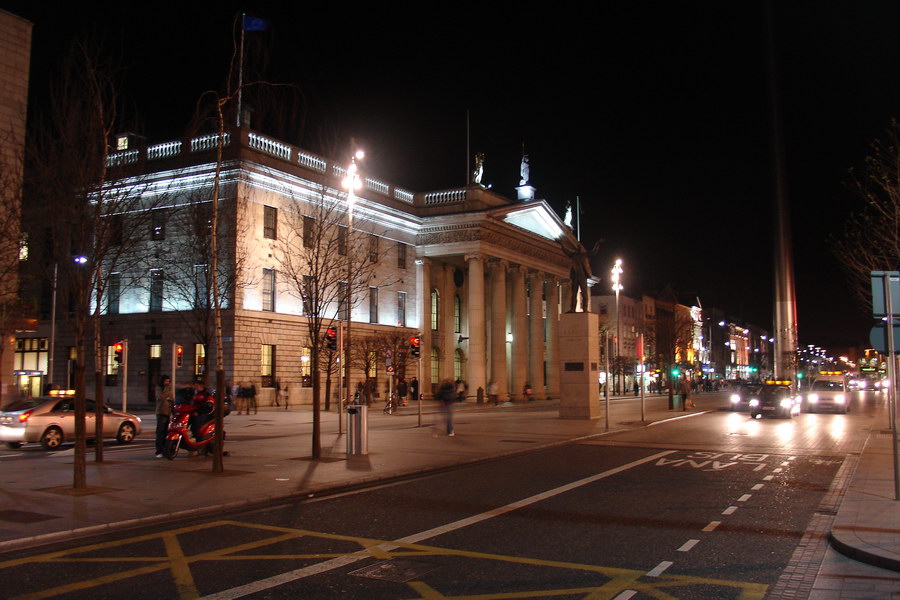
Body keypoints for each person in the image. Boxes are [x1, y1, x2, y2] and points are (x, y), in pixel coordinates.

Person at [154, 375, 173, 458]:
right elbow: (160, 397)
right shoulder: (159, 388)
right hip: (161, 412)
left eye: (168, 381)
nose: (167, 383)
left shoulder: (169, 389)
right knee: (160, 432)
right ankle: (159, 450)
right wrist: (166, 390)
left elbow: (171, 399)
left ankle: (166, 449)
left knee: (166, 432)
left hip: (168, 412)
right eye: (166, 381)